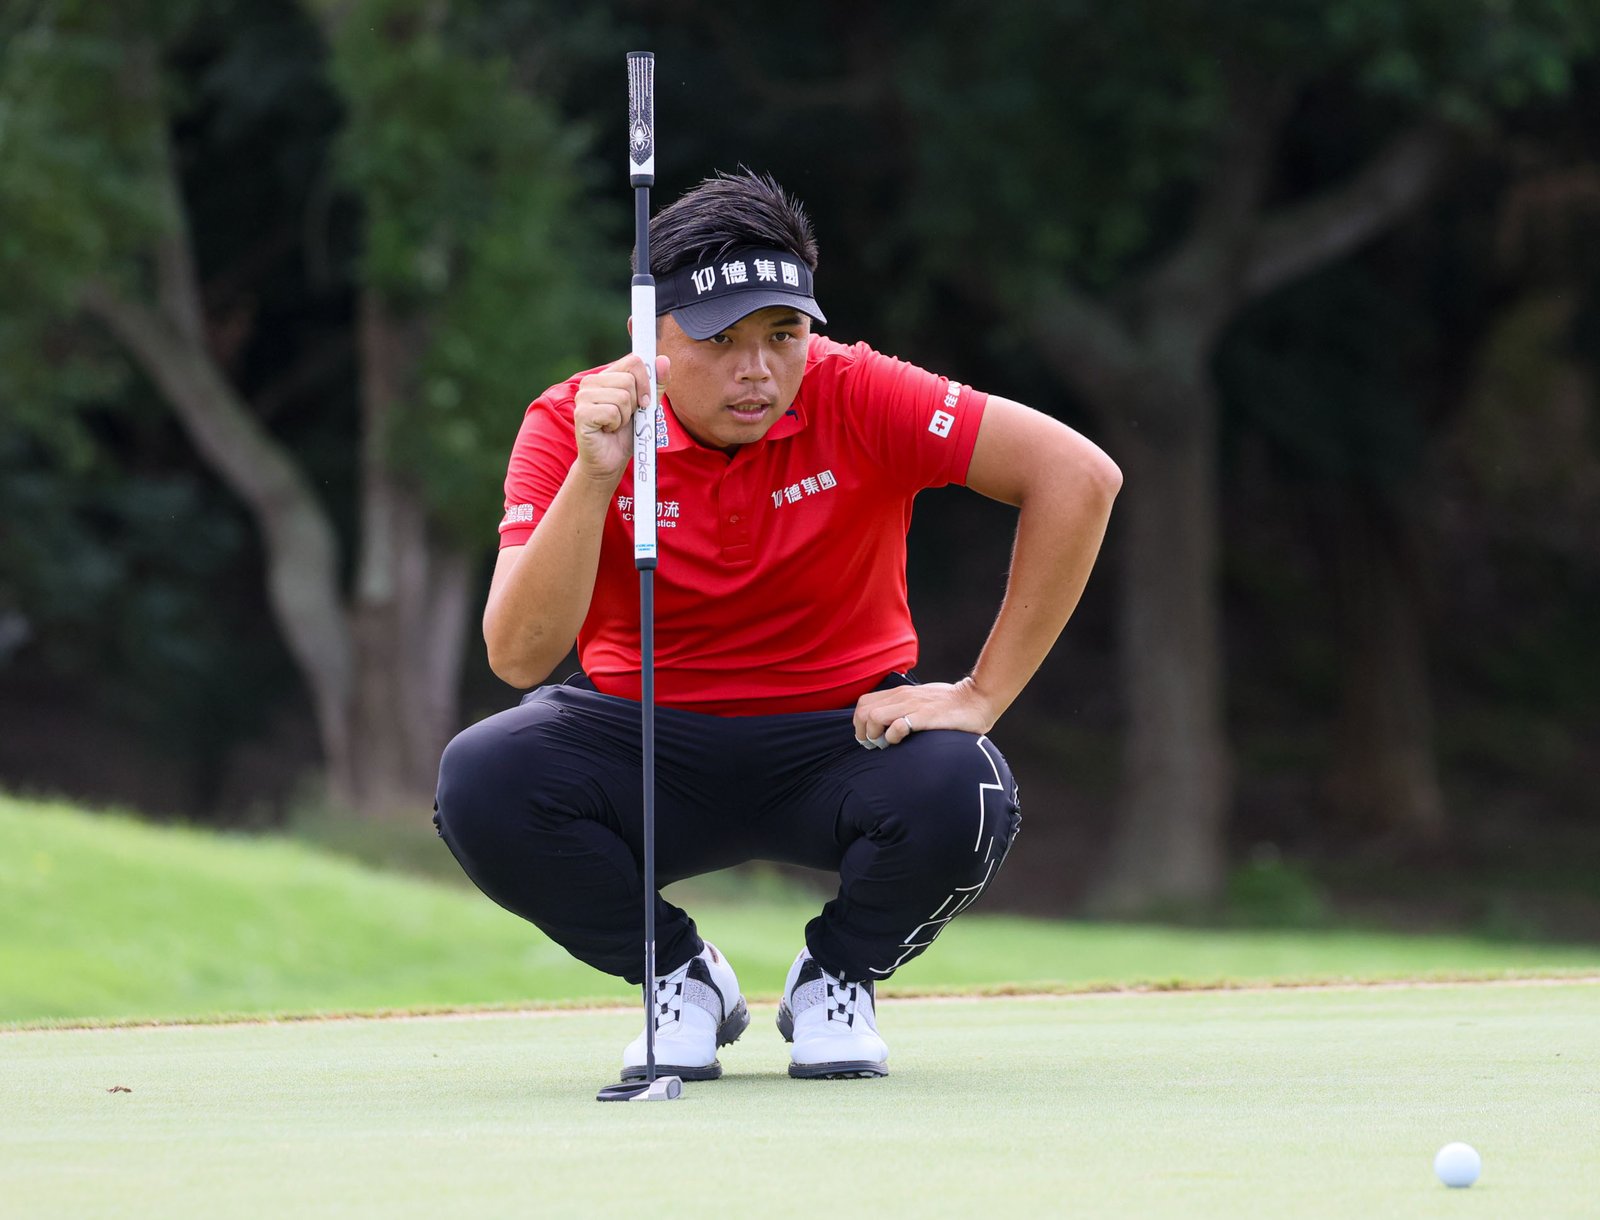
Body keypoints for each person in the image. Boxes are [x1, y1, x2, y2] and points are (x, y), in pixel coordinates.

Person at [433, 169, 1121, 1082]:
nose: (757, 371)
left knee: (969, 788)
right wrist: (596, 474)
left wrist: (982, 692)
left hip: (842, 739)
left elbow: (1080, 477)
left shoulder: (858, 390)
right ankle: (674, 976)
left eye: (783, 335)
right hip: (642, 740)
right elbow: (519, 654)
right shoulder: (572, 421)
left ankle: (838, 976)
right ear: (652, 335)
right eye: (720, 341)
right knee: (482, 778)